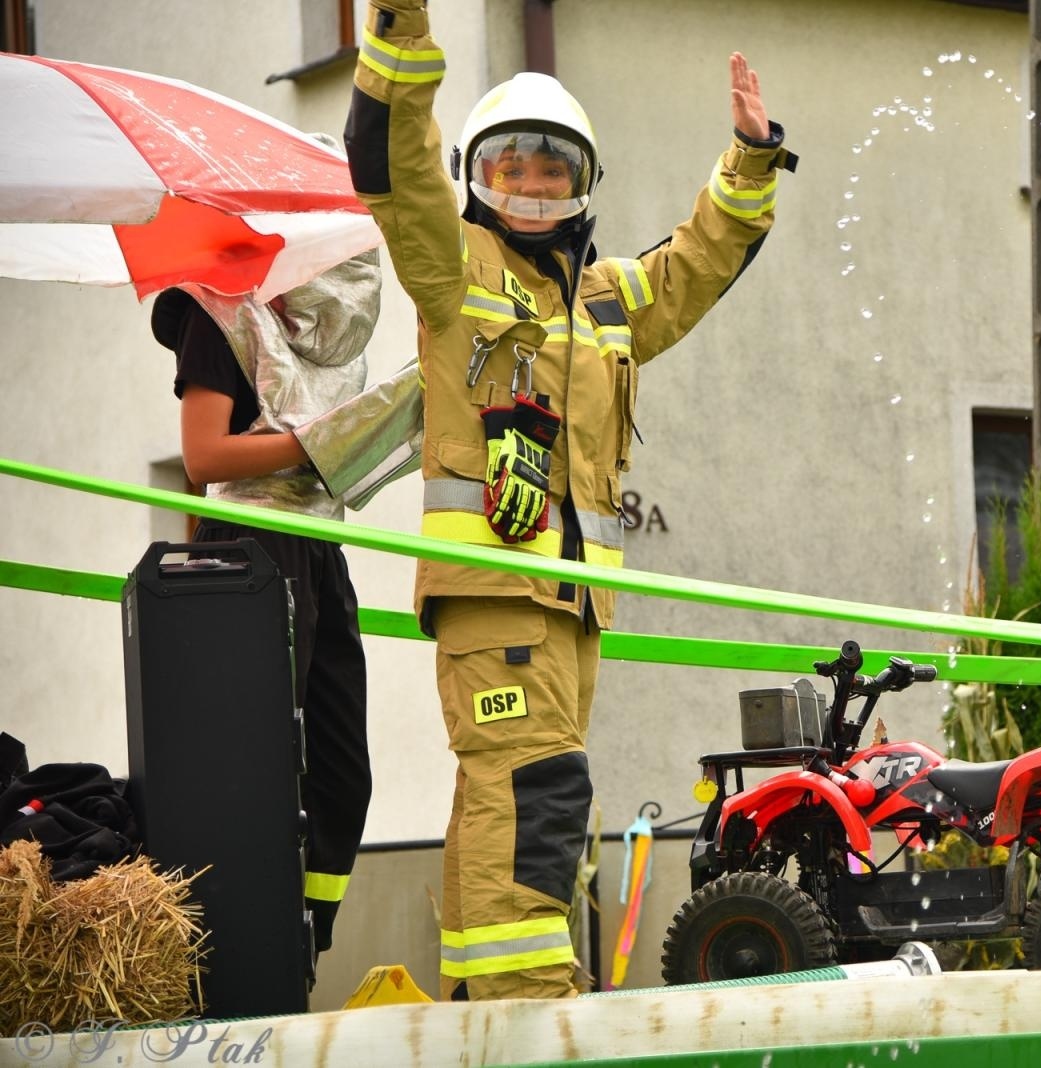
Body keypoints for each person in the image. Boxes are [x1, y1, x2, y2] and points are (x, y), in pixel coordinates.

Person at [344, 0, 796, 1001]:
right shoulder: (453, 268)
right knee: (534, 791)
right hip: (500, 594)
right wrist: (401, 30)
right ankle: (531, 1011)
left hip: (568, 604)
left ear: (584, 185)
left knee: (499, 794)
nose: (534, 187)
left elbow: (693, 269)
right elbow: (391, 167)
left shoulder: (599, 298)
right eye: (511, 168)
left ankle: (477, 1008)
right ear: (477, 178)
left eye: (553, 170)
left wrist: (750, 163)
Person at [151, 249, 384, 963]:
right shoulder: (217, 312)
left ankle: (306, 935)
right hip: (247, 552)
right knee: (257, 761)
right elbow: (204, 459)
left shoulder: (336, 343)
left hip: (319, 550)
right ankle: (240, 942)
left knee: (342, 773)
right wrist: (319, 445)